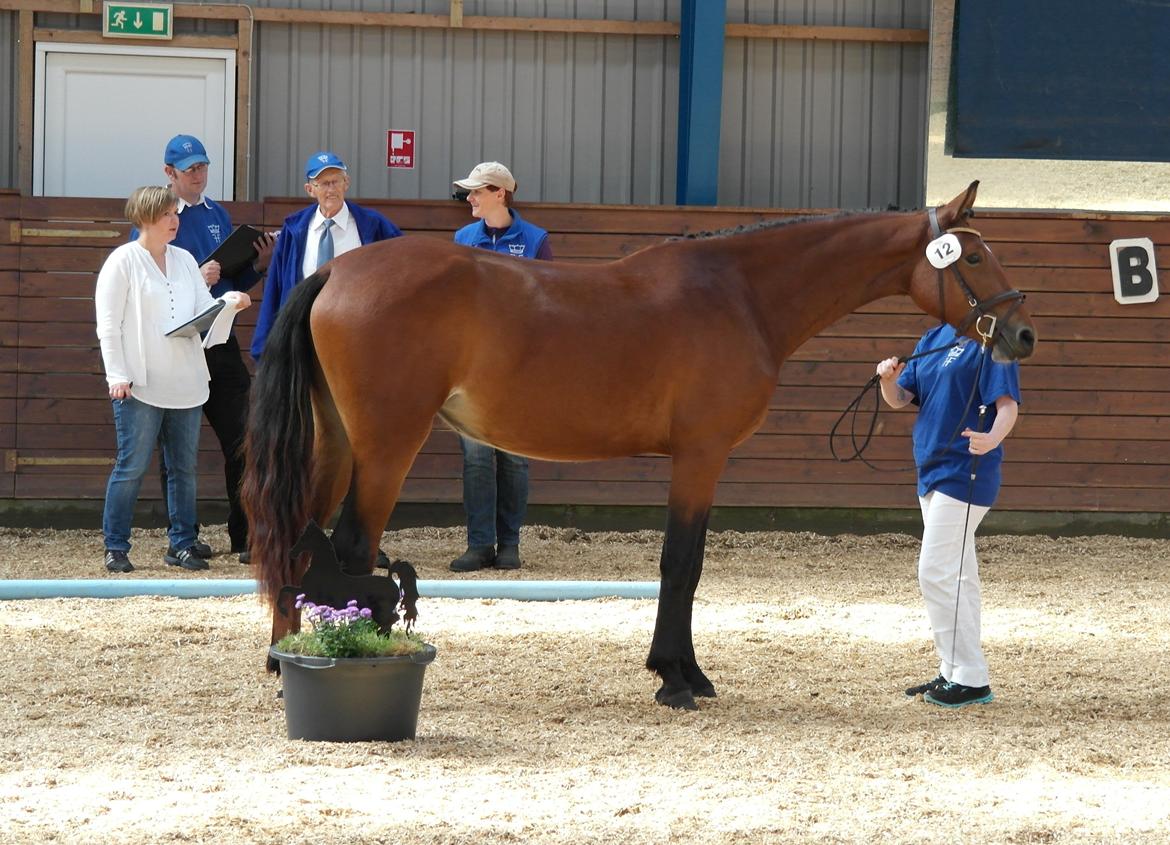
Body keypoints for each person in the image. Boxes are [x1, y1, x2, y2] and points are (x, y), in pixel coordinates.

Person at [96, 186, 252, 573]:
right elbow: (108, 326)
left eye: (174, 214)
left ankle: (181, 544)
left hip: (186, 380)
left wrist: (228, 303)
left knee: (184, 468)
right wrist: (117, 375)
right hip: (141, 383)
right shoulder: (123, 261)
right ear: (147, 218)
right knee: (131, 466)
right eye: (167, 214)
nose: (175, 220)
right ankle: (116, 546)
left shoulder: (184, 260)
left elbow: (202, 310)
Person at [877, 322, 1021, 708]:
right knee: (958, 575)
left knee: (935, 570)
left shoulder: (993, 341)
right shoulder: (932, 338)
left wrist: (991, 438)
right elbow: (903, 396)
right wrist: (887, 380)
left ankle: (971, 678)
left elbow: (1008, 405)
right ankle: (955, 671)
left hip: (967, 469)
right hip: (932, 469)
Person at [152, 134, 275, 564]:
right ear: (169, 173)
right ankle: (180, 537)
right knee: (176, 450)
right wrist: (194, 279)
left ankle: (244, 536)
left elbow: (231, 281)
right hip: (179, 344)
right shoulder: (157, 217)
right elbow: (151, 282)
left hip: (220, 339)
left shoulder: (218, 214)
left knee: (244, 437)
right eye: (190, 169)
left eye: (203, 166)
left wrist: (257, 267)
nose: (199, 174)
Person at [447, 161, 551, 573]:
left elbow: (549, 304)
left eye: (476, 191)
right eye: (470, 192)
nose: (469, 198)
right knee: (475, 459)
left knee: (515, 459)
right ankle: (479, 544)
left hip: (521, 370)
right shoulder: (462, 239)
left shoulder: (536, 241)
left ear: (499, 194)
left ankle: (509, 544)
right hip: (473, 370)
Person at [250, 151, 402, 359]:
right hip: (304, 334)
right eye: (323, 183)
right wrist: (263, 346)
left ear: (346, 183)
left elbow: (401, 268)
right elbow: (276, 286)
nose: (331, 189)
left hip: (357, 333)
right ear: (310, 189)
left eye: (336, 182)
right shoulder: (294, 229)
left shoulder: (373, 225)